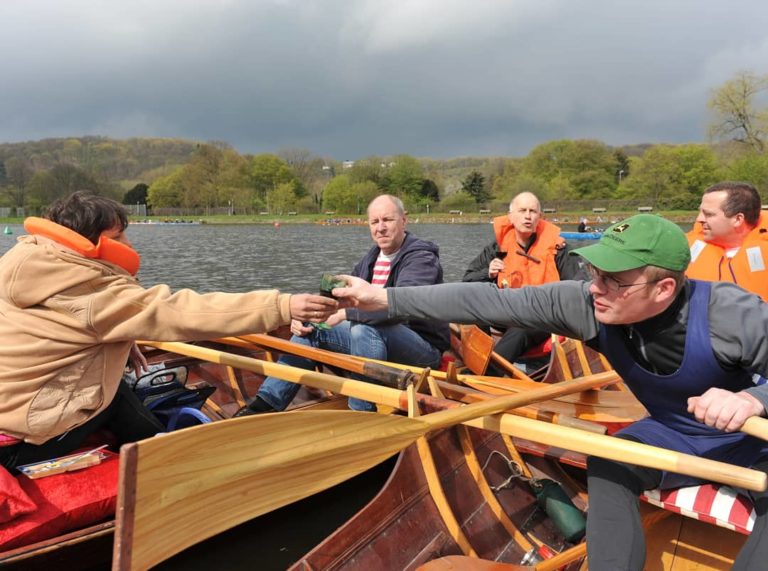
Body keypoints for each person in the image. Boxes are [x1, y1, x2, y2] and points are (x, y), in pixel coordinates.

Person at [333, 213, 768, 570]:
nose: (595, 287)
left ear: (664, 289)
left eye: (614, 280)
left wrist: (752, 400)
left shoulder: (730, 314)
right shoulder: (587, 303)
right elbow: (488, 302)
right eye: (595, 272)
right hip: (675, 432)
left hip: (756, 444)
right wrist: (383, 299)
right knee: (609, 459)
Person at [0, 191, 337, 470]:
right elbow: (177, 311)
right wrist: (282, 306)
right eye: (119, 237)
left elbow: (66, 329)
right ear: (89, 244)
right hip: (27, 437)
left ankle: (156, 443)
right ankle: (172, 462)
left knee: (118, 389)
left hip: (12, 410)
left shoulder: (30, 262)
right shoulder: (90, 296)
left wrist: (119, 338)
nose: (129, 243)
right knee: (117, 398)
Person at [235, 194, 450, 416]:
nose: (381, 228)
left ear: (404, 220)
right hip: (379, 341)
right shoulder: (371, 258)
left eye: (388, 220)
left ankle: (361, 413)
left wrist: (345, 314)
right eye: (374, 222)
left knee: (364, 329)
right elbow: (340, 299)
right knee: (313, 327)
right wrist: (307, 315)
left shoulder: (421, 259)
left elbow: (400, 307)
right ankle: (265, 403)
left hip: (423, 351)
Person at [462, 192, 586, 374]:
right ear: (511, 217)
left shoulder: (558, 248)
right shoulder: (497, 247)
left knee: (524, 326)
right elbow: (467, 280)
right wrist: (487, 273)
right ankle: (477, 359)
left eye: (533, 211)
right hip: (506, 312)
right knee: (472, 308)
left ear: (540, 217)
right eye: (522, 211)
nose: (528, 216)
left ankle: (486, 373)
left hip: (544, 314)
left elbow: (580, 286)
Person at [687, 181, 768, 301]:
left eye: (708, 214)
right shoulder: (682, 247)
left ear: (738, 219)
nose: (699, 219)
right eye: (700, 212)